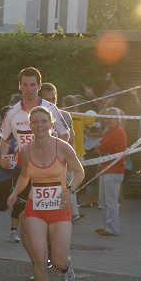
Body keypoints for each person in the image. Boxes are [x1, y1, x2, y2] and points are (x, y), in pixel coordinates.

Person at [7, 106, 84, 281]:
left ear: (51, 125)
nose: (39, 126)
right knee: (39, 257)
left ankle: (66, 268)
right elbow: (25, 176)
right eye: (35, 122)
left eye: (43, 122)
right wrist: (15, 193)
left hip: (59, 209)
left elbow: (79, 171)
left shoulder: (63, 147)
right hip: (35, 208)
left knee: (58, 260)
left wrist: (70, 190)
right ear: (30, 126)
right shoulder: (26, 150)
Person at [0, 67, 70, 268]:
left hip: (49, 172)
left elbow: (65, 134)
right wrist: (4, 156)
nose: (29, 89)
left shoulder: (50, 108)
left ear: (39, 86)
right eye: (25, 85)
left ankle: (58, 258)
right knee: (24, 220)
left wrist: (59, 157)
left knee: (51, 220)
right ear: (19, 86)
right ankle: (38, 263)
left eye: (33, 85)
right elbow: (4, 139)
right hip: (25, 171)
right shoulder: (12, 113)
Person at [40, 83, 80, 221]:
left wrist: (71, 159)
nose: (52, 103)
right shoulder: (34, 117)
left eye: (54, 99)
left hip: (61, 162)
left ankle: (70, 214)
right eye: (48, 100)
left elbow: (72, 139)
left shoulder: (65, 115)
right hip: (40, 164)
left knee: (65, 188)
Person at [93, 107, 127, 236]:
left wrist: (100, 148)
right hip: (106, 169)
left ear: (117, 118)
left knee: (111, 200)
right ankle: (106, 225)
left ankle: (112, 228)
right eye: (106, 117)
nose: (107, 120)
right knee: (104, 199)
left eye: (110, 118)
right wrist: (100, 148)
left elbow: (103, 147)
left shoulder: (117, 131)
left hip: (114, 170)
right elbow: (100, 147)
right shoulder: (109, 131)